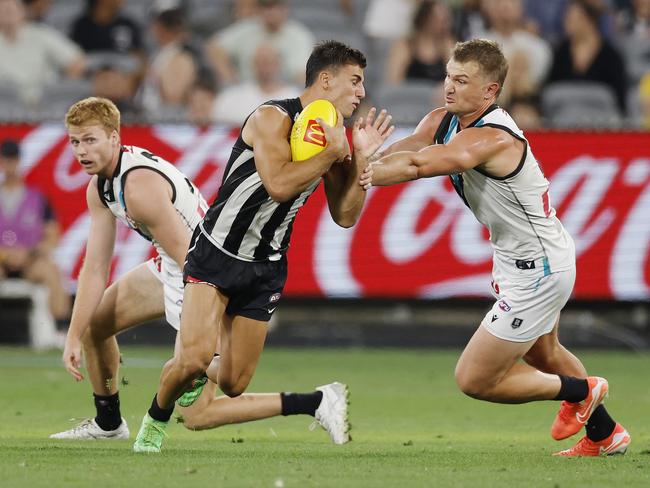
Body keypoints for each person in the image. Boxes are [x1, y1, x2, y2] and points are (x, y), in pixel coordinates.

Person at [357, 39, 630, 457]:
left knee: (475, 379)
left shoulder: (493, 137)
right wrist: (358, 159)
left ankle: (584, 390)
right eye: (449, 75)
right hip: (522, 260)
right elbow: (403, 152)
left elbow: (418, 166)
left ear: (489, 91)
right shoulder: (442, 120)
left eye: (462, 80)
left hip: (539, 267)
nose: (449, 86)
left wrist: (359, 174)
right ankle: (605, 434)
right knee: (546, 353)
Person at [132, 40, 395, 453]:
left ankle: (196, 373)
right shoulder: (272, 117)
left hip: (267, 264)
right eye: (355, 81)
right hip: (217, 250)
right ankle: (155, 420)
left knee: (235, 383)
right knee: (195, 357)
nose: (362, 93)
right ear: (326, 79)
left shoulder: (336, 137)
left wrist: (359, 160)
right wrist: (330, 155)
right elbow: (278, 184)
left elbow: (345, 216)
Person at [50, 96, 355, 443]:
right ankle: (109, 425)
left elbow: (191, 259)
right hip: (174, 262)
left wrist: (206, 340)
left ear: (115, 138)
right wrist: (73, 335)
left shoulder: (138, 189)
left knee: (198, 413)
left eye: (90, 139)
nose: (81, 151)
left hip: (201, 267)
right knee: (95, 327)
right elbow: (95, 267)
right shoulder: (102, 186)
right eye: (75, 141)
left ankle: (315, 401)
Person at [0, 138, 71, 321]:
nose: (10, 165)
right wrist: (6, 255)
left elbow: (52, 237)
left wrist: (28, 253)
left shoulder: (37, 198)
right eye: (6, 159)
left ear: (20, 161)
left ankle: (61, 328)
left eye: (13, 159)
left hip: (30, 260)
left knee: (51, 273)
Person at [0, 0, 86, 105]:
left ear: (23, 11)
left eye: (12, 8)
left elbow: (77, 60)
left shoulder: (41, 33)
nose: (7, 11)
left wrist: (62, 88)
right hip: (4, 105)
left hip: (43, 106)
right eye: (3, 9)